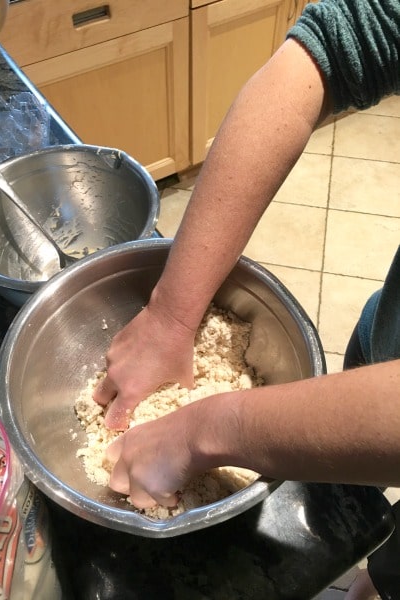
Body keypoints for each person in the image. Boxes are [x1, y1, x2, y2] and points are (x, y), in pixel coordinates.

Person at [94, 1, 400, 598]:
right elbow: (330, 50)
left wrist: (197, 432)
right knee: (376, 560)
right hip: (389, 330)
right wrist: (171, 314)